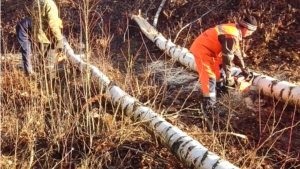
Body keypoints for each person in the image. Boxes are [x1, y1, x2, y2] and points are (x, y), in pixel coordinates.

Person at [190, 15, 257, 113]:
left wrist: (243, 68)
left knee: (218, 73)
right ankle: (209, 106)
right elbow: (228, 58)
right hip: (203, 50)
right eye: (251, 31)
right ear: (246, 28)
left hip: (212, 52)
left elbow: (236, 52)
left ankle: (220, 91)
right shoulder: (232, 34)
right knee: (210, 77)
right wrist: (229, 77)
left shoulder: (234, 30)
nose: (250, 34)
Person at [16, 0, 64, 76]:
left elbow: (35, 20)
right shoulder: (49, 4)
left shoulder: (35, 2)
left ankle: (40, 81)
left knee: (42, 63)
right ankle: (48, 83)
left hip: (38, 37)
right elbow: (52, 24)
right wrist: (59, 39)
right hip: (47, 38)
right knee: (49, 65)